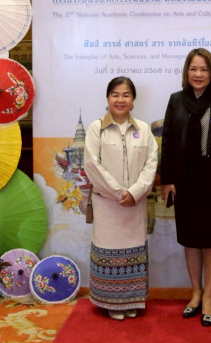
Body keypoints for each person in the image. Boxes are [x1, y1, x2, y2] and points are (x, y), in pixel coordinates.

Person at [160, 48, 211, 327]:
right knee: (191, 240)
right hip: (185, 181)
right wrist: (167, 180)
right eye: (193, 69)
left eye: (203, 69)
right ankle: (195, 292)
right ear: (187, 72)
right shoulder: (176, 100)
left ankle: (209, 296)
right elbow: (168, 141)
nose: (198, 74)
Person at [83, 76, 158, 321]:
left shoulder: (144, 130)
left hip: (135, 204)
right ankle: (111, 302)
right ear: (107, 98)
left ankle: (131, 299)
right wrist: (118, 193)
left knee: (133, 251)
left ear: (133, 100)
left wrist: (134, 193)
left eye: (126, 95)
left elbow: (151, 165)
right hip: (107, 205)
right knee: (109, 251)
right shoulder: (96, 128)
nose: (120, 100)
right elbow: (92, 165)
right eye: (115, 94)